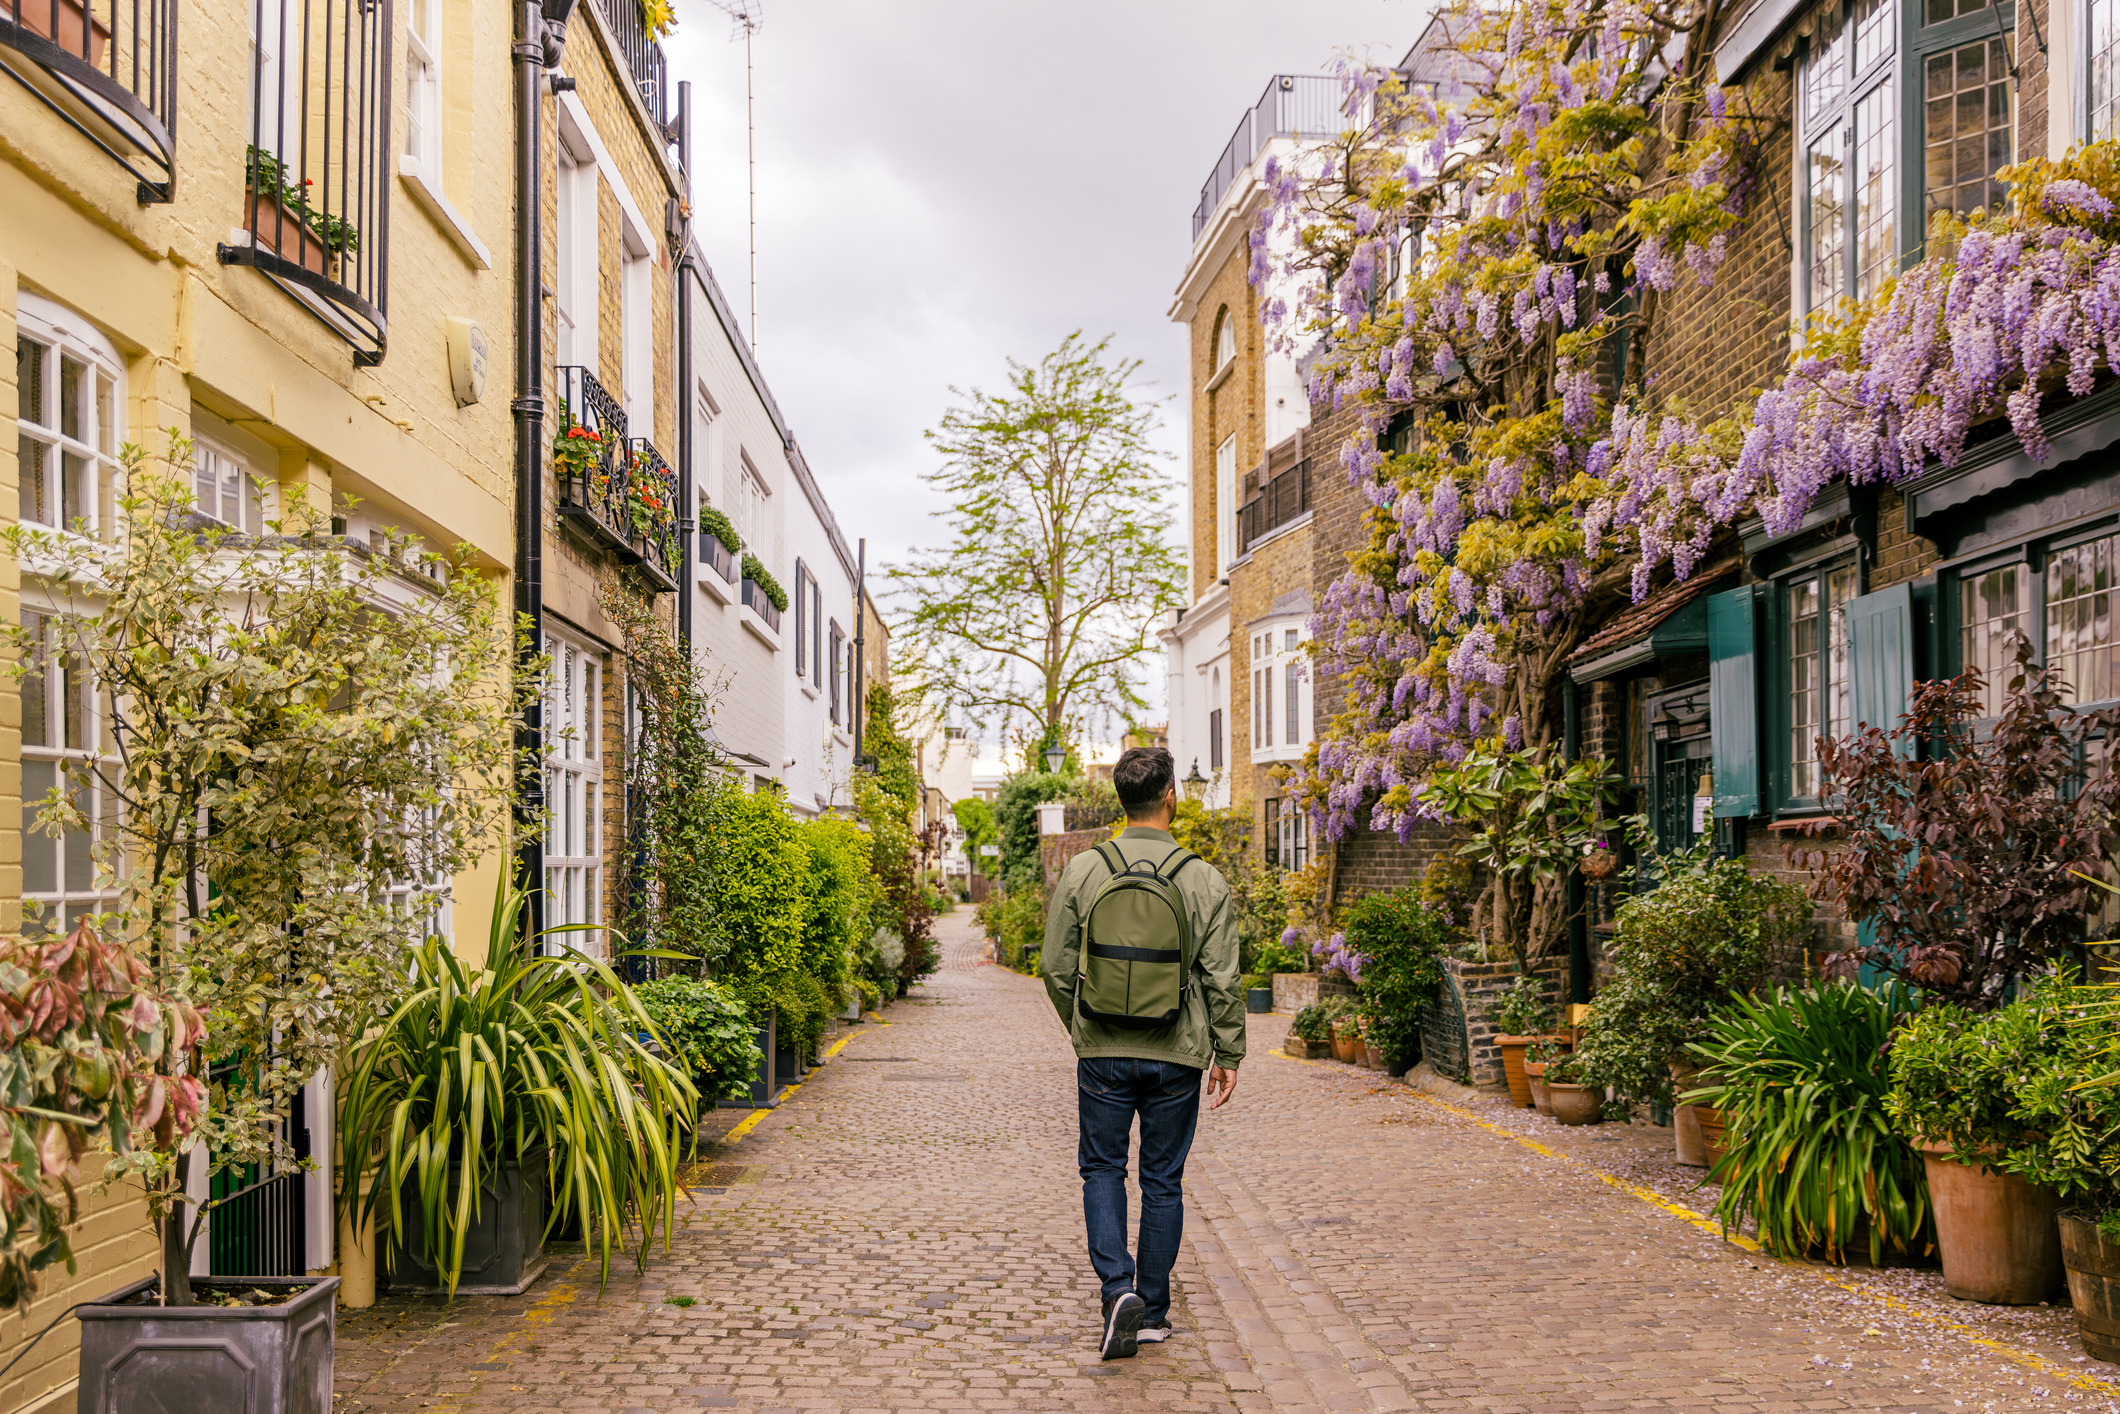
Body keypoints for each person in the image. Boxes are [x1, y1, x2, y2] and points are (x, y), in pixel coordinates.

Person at [1039, 745, 1243, 1361]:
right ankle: (1151, 1311)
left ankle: (1116, 1290)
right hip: (1176, 1053)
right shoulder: (1202, 878)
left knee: (1102, 1170)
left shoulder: (1083, 870)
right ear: (1171, 798)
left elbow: (1054, 966)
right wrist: (1227, 1051)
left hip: (1102, 1048)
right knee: (1163, 1181)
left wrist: (1083, 1026)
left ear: (1120, 802)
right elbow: (1222, 978)